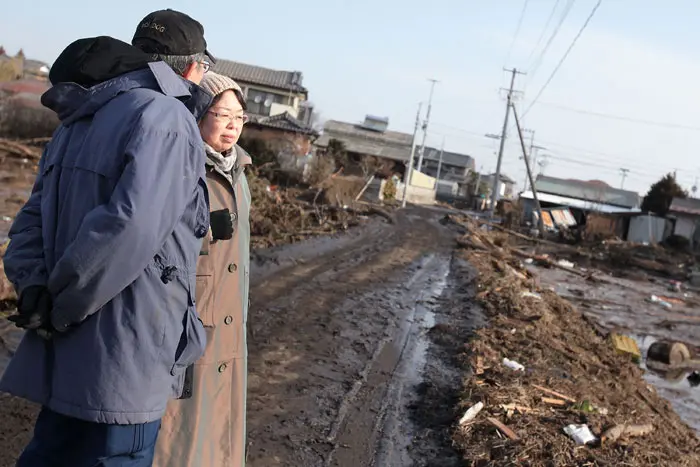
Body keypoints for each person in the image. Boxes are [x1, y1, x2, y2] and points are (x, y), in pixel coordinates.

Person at [1, 9, 216, 466]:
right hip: (125, 352)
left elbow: (30, 218)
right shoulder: (167, 118)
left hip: (66, 348)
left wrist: (35, 287)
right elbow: (130, 226)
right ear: (194, 68)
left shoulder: (80, 116)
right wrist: (62, 306)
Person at [149, 72, 252, 467]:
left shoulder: (240, 172)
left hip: (229, 316)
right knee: (181, 430)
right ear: (197, 114)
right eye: (221, 114)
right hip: (190, 313)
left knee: (220, 424)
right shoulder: (183, 163)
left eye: (239, 117)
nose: (231, 125)